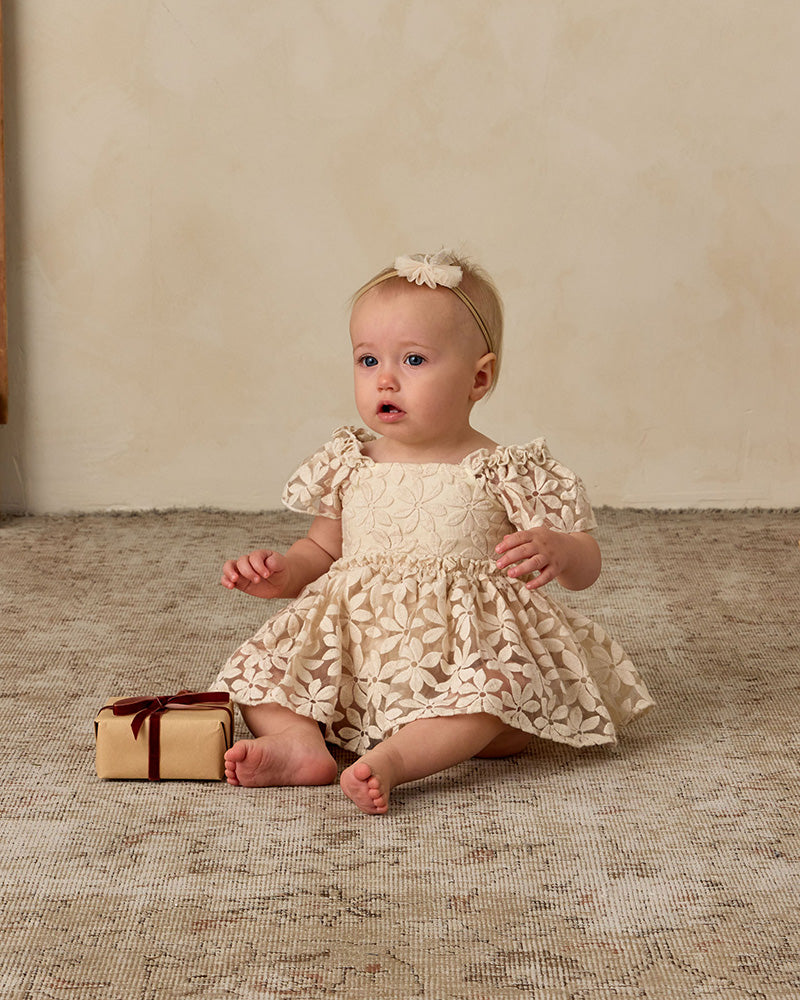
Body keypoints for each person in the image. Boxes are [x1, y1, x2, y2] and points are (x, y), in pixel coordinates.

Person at [211, 249, 653, 814]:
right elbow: (322, 547)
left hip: (466, 649)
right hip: (363, 648)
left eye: (414, 360)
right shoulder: (351, 461)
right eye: (367, 360)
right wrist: (282, 574)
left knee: (497, 692)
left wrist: (560, 550)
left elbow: (587, 566)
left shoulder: (504, 468)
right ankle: (299, 744)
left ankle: (397, 761)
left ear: (479, 377)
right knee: (260, 671)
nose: (386, 378)